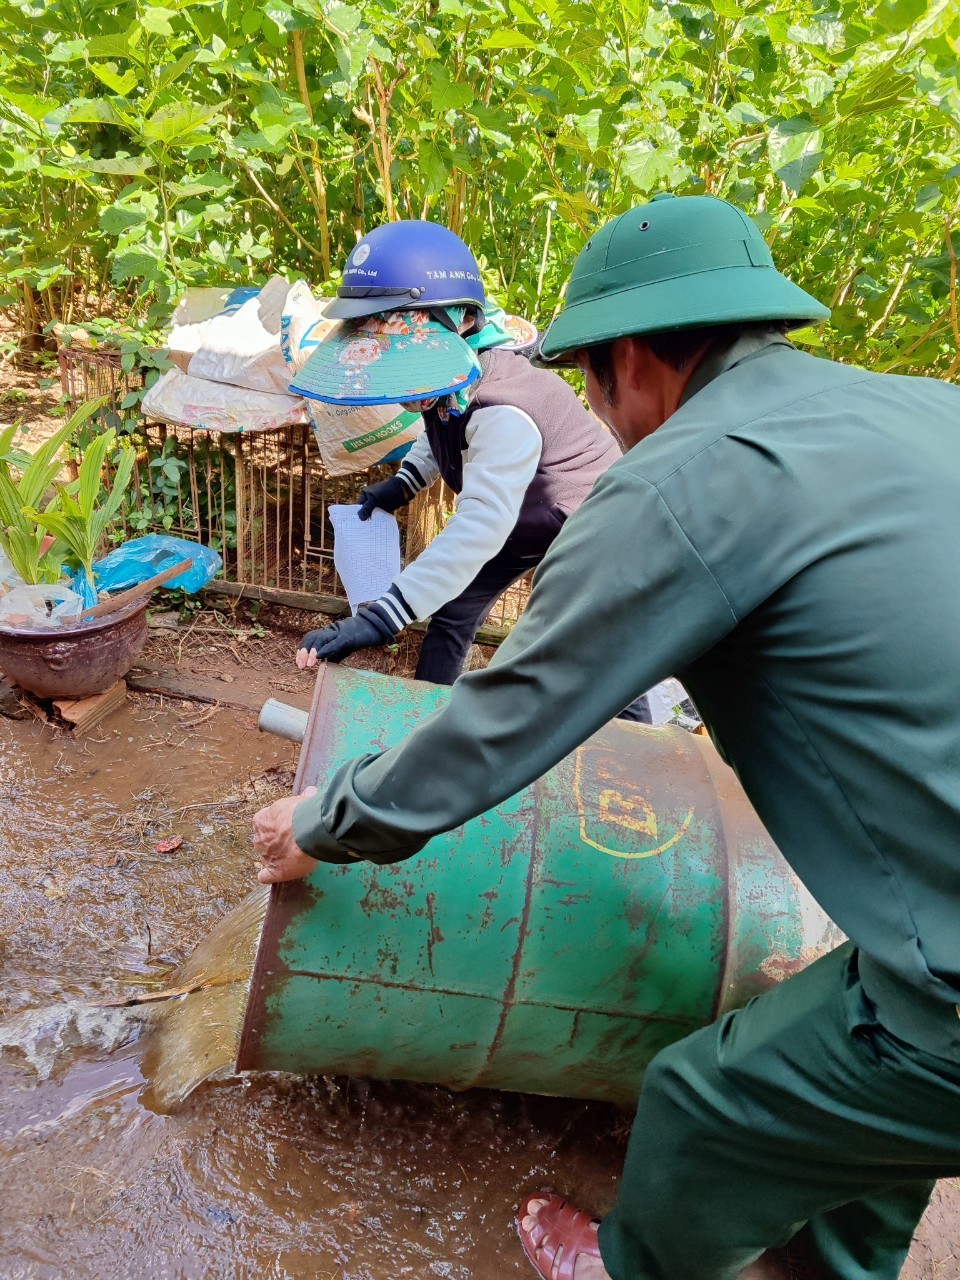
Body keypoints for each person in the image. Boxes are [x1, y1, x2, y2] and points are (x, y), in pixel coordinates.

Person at [254, 192, 960, 1280]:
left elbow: (513, 715)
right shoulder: (924, 408)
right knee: (859, 1086)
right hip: (926, 897)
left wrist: (328, 818)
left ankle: (629, 1265)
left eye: (595, 373)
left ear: (632, 360)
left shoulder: (678, 477)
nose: (602, 403)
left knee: (700, 1099)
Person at [289, 219, 646, 708]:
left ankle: (640, 756)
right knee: (453, 611)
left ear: (458, 320)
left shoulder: (504, 408)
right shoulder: (452, 389)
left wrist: (381, 618)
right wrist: (403, 485)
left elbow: (480, 525)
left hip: (587, 522)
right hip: (523, 519)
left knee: (597, 645)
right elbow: (445, 434)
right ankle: (423, 718)